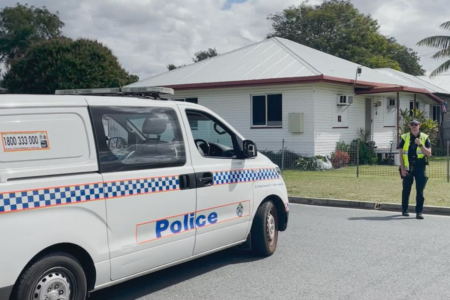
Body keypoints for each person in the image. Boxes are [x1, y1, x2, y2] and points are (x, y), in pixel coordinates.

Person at [398, 119, 432, 219]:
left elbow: (429, 154)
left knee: (420, 190)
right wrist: (403, 169)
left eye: (416, 124)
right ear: (409, 126)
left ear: (419, 126)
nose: (414, 126)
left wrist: (420, 144)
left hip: (420, 167)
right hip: (408, 168)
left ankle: (419, 212)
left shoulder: (425, 137)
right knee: (406, 189)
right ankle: (404, 210)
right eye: (412, 124)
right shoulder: (404, 137)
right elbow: (400, 154)